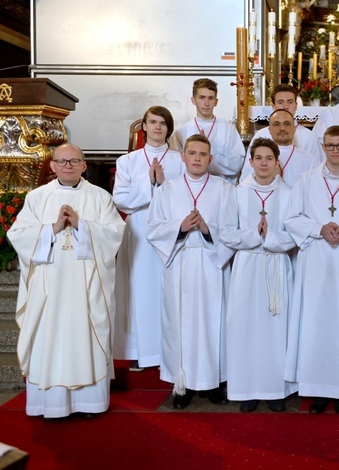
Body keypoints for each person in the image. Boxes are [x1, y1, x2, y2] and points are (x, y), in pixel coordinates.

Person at [9, 144, 125, 418]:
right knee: (50, 336)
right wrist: (53, 229)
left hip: (87, 285)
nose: (68, 166)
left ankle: (90, 403)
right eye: (62, 161)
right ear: (52, 166)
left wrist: (81, 225)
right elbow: (19, 235)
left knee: (85, 333)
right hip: (49, 287)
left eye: (74, 161)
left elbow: (114, 235)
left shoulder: (100, 197)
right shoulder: (37, 198)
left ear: (84, 165)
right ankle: (51, 404)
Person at [147, 134, 235, 409]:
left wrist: (209, 230)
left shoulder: (224, 188)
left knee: (214, 323)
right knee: (180, 325)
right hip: (181, 263)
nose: (197, 158)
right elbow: (153, 227)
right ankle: (181, 384)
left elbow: (233, 229)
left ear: (210, 158)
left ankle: (215, 382)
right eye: (192, 153)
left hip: (212, 264)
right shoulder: (167, 189)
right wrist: (181, 227)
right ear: (182, 157)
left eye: (203, 154)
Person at [284, 125, 339, 415]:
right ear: (323, 147)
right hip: (316, 261)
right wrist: (319, 228)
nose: (335, 150)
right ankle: (318, 390)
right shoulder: (306, 181)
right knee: (316, 323)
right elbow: (291, 217)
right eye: (330, 145)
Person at [220, 139, 298, 413]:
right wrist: (254, 235)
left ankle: (275, 389)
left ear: (278, 163)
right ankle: (247, 389)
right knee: (245, 328)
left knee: (277, 329)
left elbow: (294, 234)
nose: (264, 163)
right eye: (259, 158)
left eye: (269, 158)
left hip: (276, 265)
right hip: (247, 267)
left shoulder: (289, 193)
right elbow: (226, 232)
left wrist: (271, 237)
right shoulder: (237, 193)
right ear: (250, 162)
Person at [113, 106, 184, 372]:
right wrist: (149, 183)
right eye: (152, 122)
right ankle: (142, 350)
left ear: (169, 128)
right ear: (143, 126)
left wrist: (163, 184)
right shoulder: (128, 161)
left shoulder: (179, 159)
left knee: (168, 286)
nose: (157, 127)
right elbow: (120, 198)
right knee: (141, 288)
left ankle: (170, 348)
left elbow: (185, 196)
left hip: (170, 228)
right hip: (140, 227)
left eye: (163, 123)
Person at [170, 78, 245, 182]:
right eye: (201, 98)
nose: (206, 103)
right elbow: (175, 165)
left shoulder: (228, 128)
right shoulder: (182, 131)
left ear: (216, 102)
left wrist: (208, 149)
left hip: (221, 187)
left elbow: (235, 164)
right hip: (191, 187)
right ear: (193, 100)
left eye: (210, 98)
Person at [239, 109, 317, 187]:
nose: (282, 128)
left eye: (287, 124)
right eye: (277, 124)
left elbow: (314, 189)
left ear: (294, 129)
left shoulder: (309, 159)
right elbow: (245, 185)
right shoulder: (259, 157)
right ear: (269, 130)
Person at [249, 84, 320, 159]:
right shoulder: (261, 135)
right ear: (273, 106)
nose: (285, 106)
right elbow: (249, 168)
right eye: (280, 102)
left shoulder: (309, 137)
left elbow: (318, 166)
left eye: (290, 102)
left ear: (296, 106)